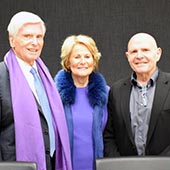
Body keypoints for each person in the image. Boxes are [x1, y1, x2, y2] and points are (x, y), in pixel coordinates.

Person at [0, 11, 72, 170]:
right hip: (16, 165)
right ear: (12, 40)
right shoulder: (2, 76)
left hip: (52, 163)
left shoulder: (45, 76)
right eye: (27, 36)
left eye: (39, 37)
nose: (35, 42)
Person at [104, 32, 170, 157]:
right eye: (134, 52)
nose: (139, 56)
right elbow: (109, 136)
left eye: (145, 50)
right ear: (127, 56)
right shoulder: (116, 91)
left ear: (158, 53)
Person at [54, 34, 109, 170]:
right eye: (77, 57)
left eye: (87, 56)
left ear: (94, 60)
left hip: (99, 165)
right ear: (68, 62)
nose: (83, 62)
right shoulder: (54, 95)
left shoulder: (106, 93)